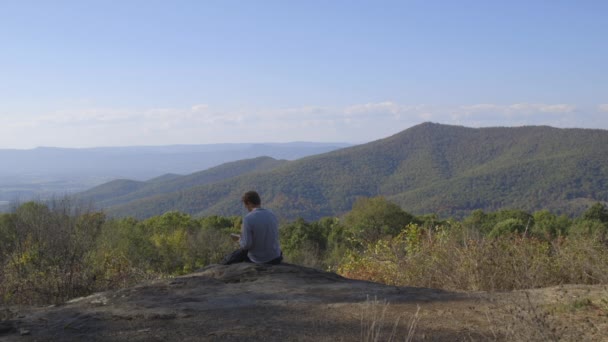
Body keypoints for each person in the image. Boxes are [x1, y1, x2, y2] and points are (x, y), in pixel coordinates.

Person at [222, 191, 283, 265]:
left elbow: (247, 245)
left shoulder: (248, 218)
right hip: (275, 257)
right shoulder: (272, 214)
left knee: (229, 259)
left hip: (259, 259)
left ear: (248, 203)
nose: (245, 207)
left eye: (245, 204)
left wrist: (239, 240)